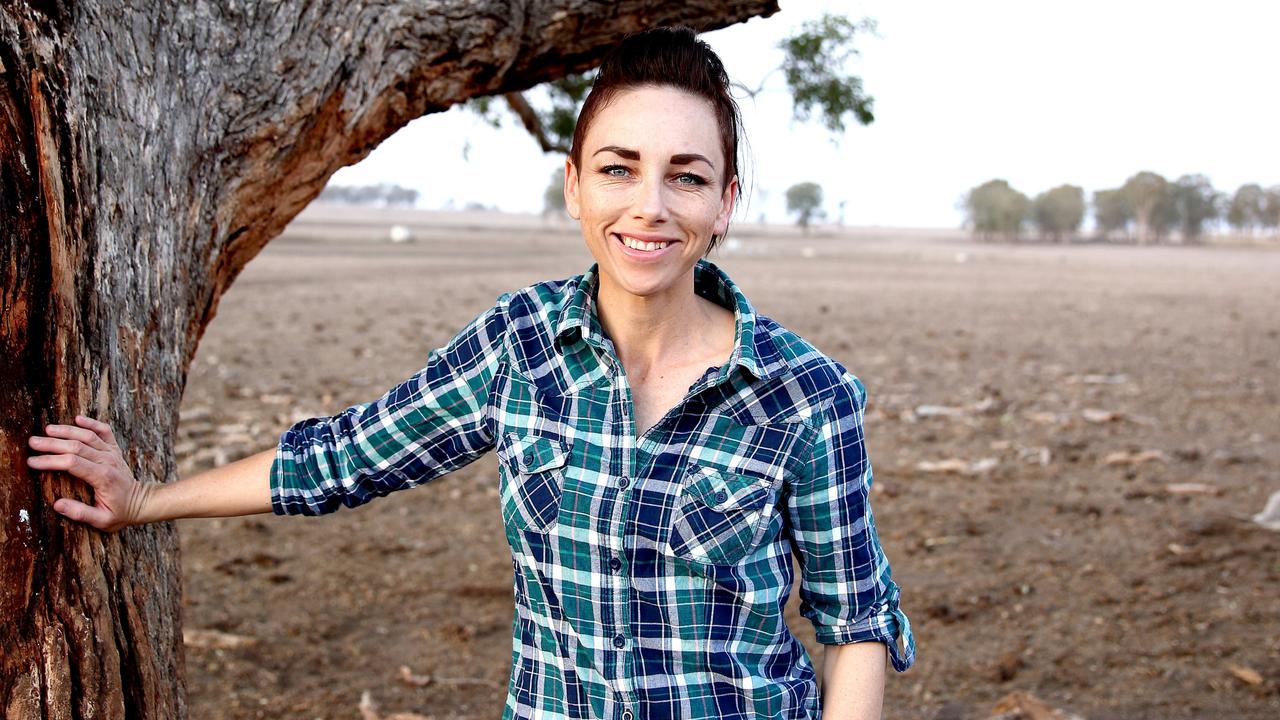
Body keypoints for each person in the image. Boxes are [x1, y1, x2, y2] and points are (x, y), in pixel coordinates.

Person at [27, 26, 914, 720]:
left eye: (686, 178)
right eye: (619, 169)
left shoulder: (804, 394)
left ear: (725, 204)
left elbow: (855, 625)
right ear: (574, 187)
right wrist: (143, 500)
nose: (649, 205)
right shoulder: (517, 347)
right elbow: (346, 459)